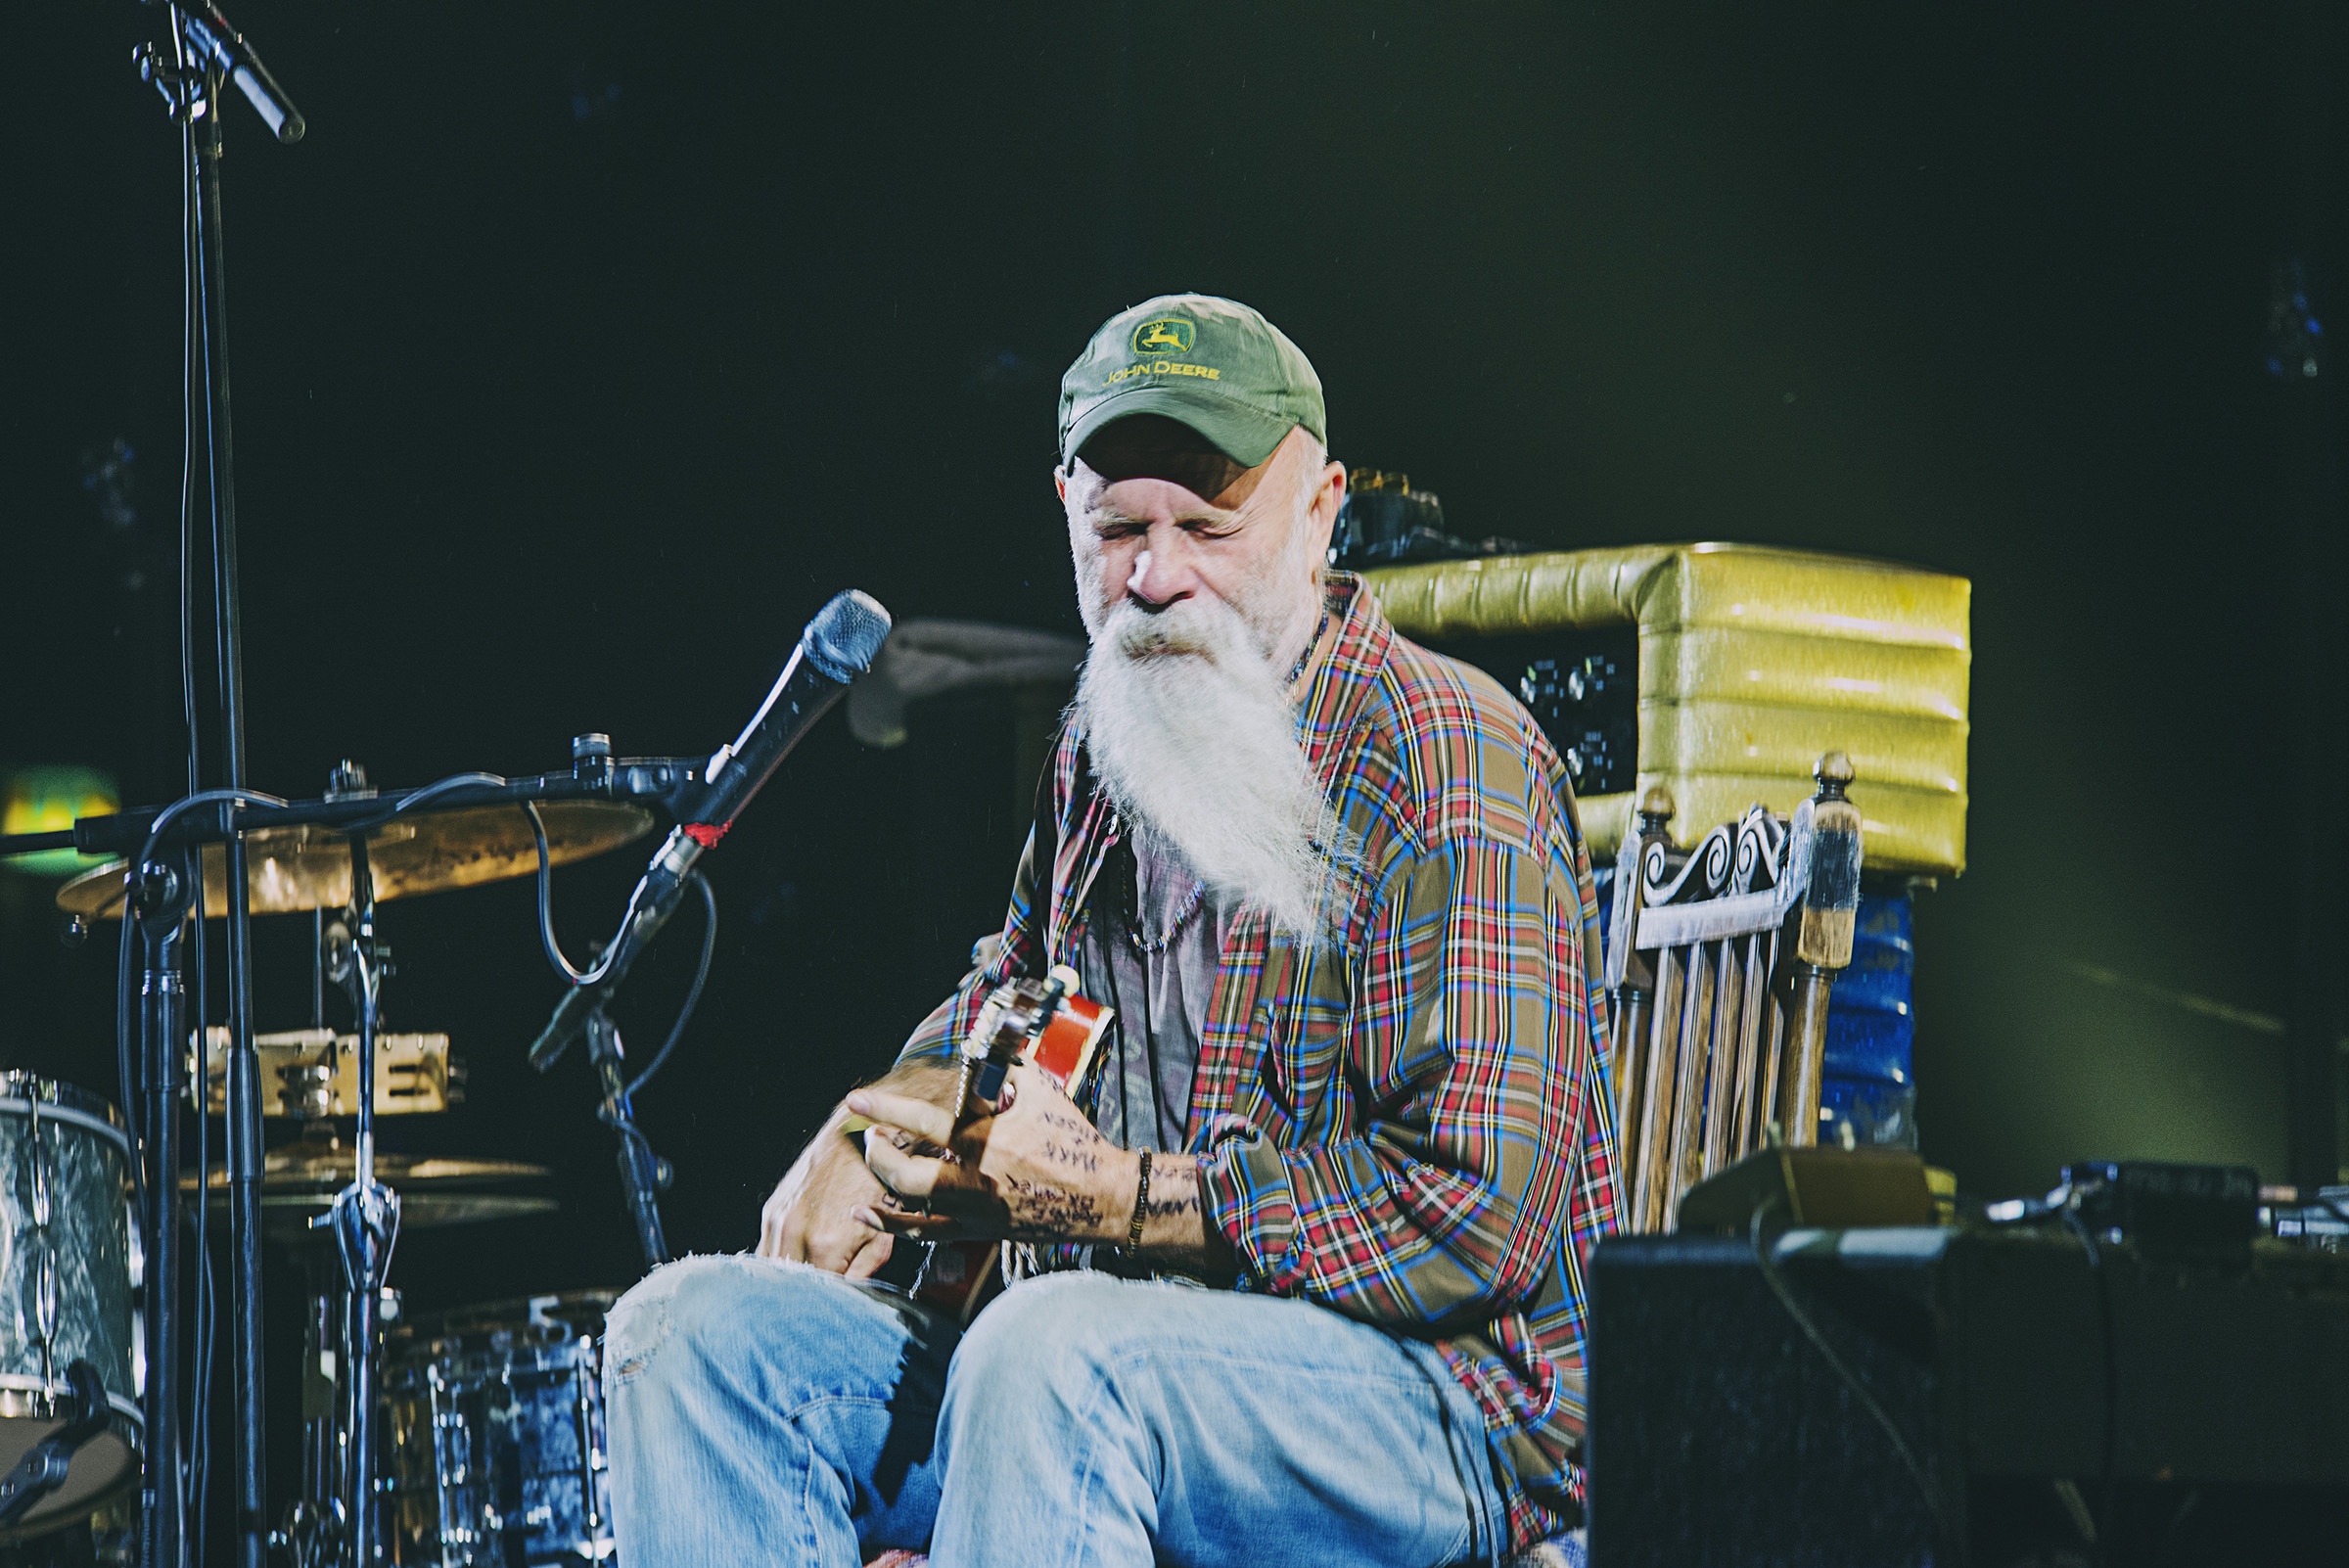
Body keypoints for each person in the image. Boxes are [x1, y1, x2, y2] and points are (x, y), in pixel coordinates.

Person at [601, 294, 1621, 1568]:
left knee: (1053, 1352)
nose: (1155, 575)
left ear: (1321, 517)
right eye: (1117, 527)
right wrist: (879, 1121)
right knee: (691, 1335)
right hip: (1146, 1377)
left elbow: (1476, 1221)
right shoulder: (1108, 744)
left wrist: (1123, 1197)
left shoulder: (1444, 754)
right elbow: (1025, 994)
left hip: (1451, 1411)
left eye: (1207, 524)